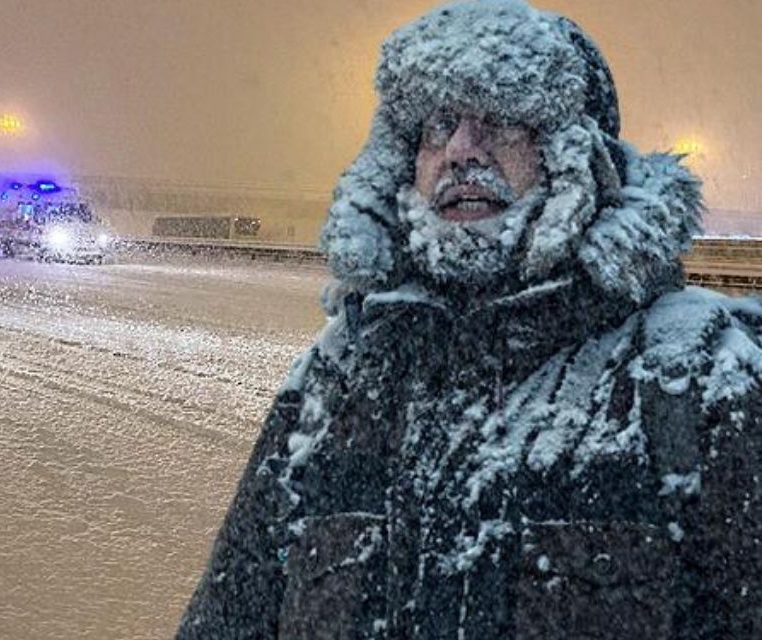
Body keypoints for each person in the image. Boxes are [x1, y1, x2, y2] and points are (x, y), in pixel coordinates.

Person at [177, 1, 762, 638]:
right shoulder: (341, 373)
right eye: (439, 124)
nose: (459, 150)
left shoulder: (694, 379)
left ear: (574, 157)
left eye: (502, 121)